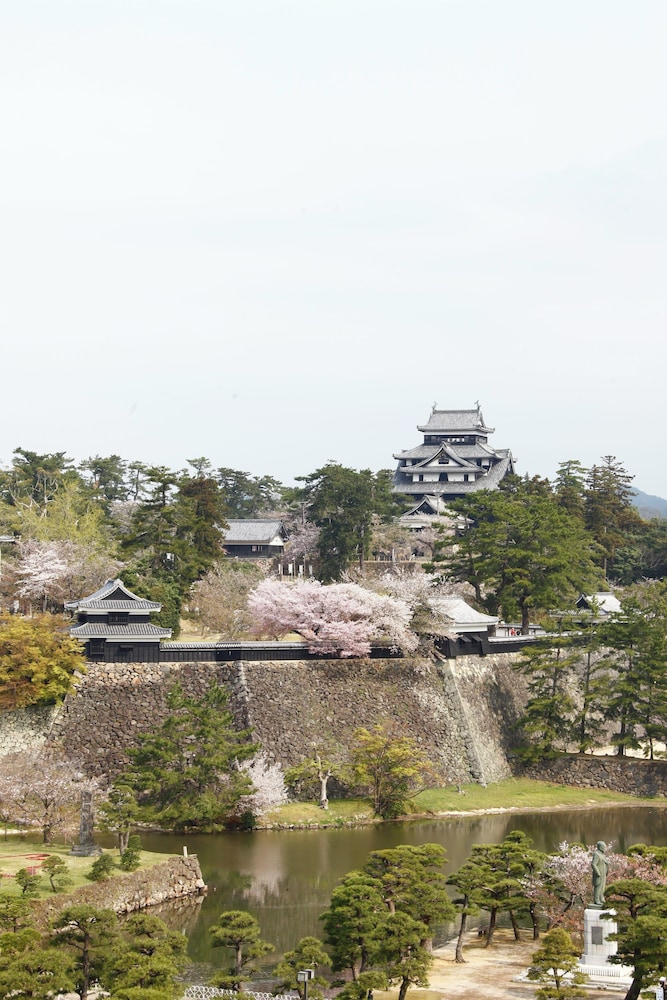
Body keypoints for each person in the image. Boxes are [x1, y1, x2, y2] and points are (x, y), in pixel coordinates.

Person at [591, 841, 609, 906]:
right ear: (600, 847)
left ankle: (601, 898)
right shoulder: (597, 854)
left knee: (603, 887)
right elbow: (593, 864)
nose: (605, 848)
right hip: (599, 874)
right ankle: (596, 899)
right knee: (598, 886)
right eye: (604, 847)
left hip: (603, 874)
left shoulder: (603, 855)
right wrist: (598, 873)